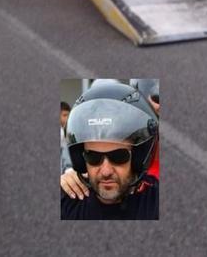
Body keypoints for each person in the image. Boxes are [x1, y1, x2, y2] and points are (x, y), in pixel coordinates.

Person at [61, 82, 159, 220]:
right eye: (93, 157)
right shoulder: (66, 202)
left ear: (139, 157)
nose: (106, 171)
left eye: (119, 156)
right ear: (81, 160)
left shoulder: (155, 201)